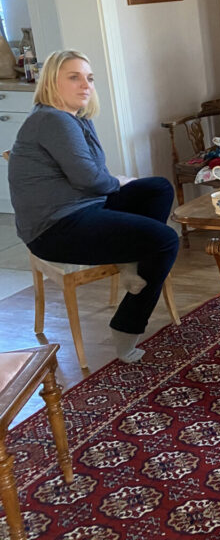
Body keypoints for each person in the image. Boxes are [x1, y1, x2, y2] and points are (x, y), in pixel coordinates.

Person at [7, 50, 179, 363]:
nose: (85, 85)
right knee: (165, 240)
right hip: (55, 229)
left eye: (89, 78)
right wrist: (117, 183)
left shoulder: (77, 118)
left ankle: (132, 264)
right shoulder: (52, 120)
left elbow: (93, 177)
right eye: (74, 77)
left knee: (158, 188)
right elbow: (89, 178)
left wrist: (113, 183)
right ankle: (127, 326)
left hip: (84, 207)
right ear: (52, 81)